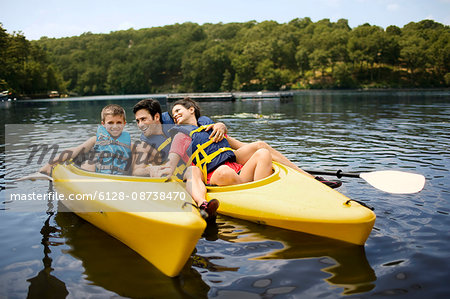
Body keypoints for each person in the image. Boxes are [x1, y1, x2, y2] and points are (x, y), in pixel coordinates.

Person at [157, 98, 273, 220]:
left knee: (263, 153)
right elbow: (171, 163)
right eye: (173, 113)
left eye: (177, 110)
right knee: (216, 170)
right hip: (215, 175)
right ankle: (203, 204)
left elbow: (239, 146)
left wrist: (221, 126)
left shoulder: (212, 128)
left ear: (191, 110)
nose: (174, 115)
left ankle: (264, 195)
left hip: (239, 172)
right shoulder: (180, 137)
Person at [39, 104, 132, 175]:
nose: (115, 126)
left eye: (118, 122)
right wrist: (50, 165)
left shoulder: (128, 142)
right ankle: (47, 166)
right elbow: (75, 151)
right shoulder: (95, 139)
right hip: (98, 172)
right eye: (110, 122)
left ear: (124, 123)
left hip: (119, 175)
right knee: (89, 163)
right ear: (103, 124)